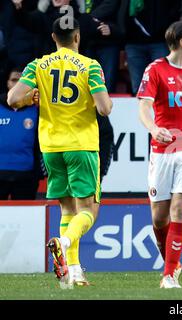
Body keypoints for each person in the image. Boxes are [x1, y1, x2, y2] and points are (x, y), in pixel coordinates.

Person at [7, 17, 112, 288]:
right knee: (88, 211)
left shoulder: (37, 65)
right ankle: (64, 244)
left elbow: (12, 99)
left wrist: (32, 98)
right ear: (77, 37)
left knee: (67, 209)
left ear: (54, 38)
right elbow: (104, 109)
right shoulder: (90, 66)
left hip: (51, 147)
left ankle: (73, 271)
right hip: (81, 145)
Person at [137, 20, 182, 289]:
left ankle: (169, 275)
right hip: (163, 149)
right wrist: (154, 128)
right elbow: (144, 107)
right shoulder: (155, 70)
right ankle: (172, 262)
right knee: (159, 217)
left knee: (181, 209)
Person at [0, 68, 42, 200]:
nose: (17, 84)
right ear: (7, 83)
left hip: (26, 176)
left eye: (21, 80)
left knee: (25, 218)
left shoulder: (38, 109)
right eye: (14, 80)